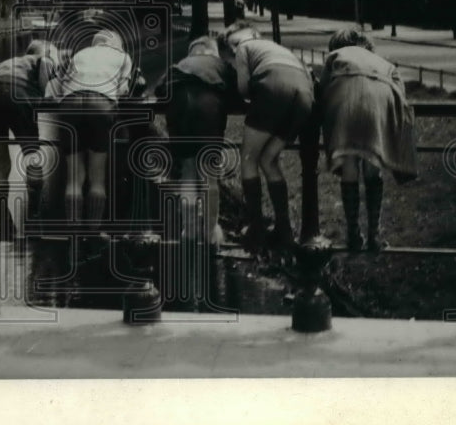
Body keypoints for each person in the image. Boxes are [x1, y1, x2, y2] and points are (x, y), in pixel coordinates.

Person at [319, 27, 417, 252]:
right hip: (378, 106)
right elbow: (401, 94)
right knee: (373, 168)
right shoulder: (383, 62)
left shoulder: (336, 56)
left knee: (349, 166)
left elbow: (322, 89)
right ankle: (375, 235)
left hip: (345, 104)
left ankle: (353, 234)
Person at [221, 21, 314, 256]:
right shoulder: (277, 49)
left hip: (273, 87)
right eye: (231, 45)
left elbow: (243, 89)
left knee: (248, 158)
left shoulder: (245, 48)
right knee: (268, 159)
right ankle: (284, 229)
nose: (234, 48)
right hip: (304, 95)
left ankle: (256, 227)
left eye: (235, 42)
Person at [0, 40, 61, 241]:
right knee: (32, 157)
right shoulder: (43, 59)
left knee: (1, 161)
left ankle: (4, 219)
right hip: (19, 96)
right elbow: (47, 74)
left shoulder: (7, 62)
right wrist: (46, 95)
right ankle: (33, 217)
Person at [47, 28, 138, 226]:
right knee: (97, 178)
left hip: (70, 105)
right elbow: (123, 91)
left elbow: (59, 85)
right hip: (100, 105)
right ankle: (93, 233)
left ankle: (74, 233)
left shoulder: (80, 54)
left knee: (74, 178)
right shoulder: (123, 57)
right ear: (117, 44)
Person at [155, 35, 239, 246]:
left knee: (188, 170)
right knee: (209, 174)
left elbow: (159, 90)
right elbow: (236, 93)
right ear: (212, 51)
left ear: (193, 51)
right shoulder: (219, 64)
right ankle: (210, 233)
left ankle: (190, 230)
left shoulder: (179, 65)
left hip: (178, 106)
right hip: (207, 107)